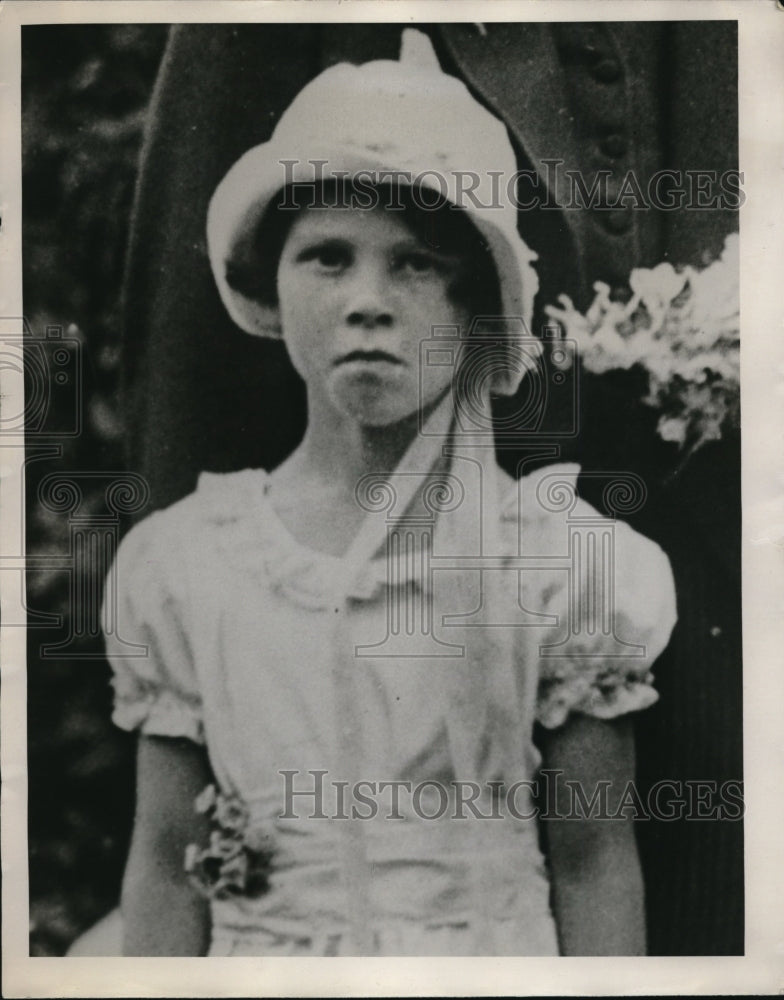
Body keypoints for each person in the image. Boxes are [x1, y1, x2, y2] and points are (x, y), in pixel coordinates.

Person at [101, 32, 677, 957]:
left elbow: (594, 862)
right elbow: (168, 862)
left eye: (414, 262)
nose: (368, 300)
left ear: (478, 304)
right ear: (271, 283)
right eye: (327, 257)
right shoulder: (187, 566)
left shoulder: (558, 566)